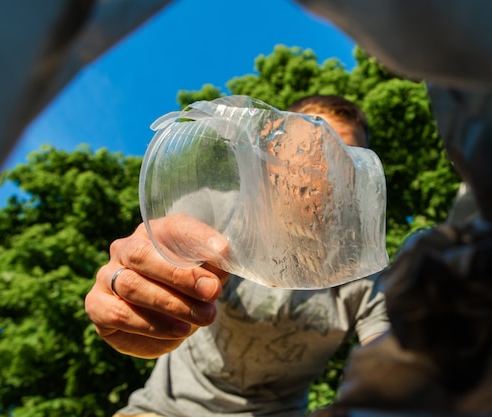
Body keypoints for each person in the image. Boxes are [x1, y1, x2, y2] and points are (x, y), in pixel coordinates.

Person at [84, 95, 389, 417]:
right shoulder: (216, 208)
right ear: (273, 146)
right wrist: (129, 296)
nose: (330, 173)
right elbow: (159, 255)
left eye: (346, 160)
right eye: (316, 148)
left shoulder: (364, 273)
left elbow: (388, 357)